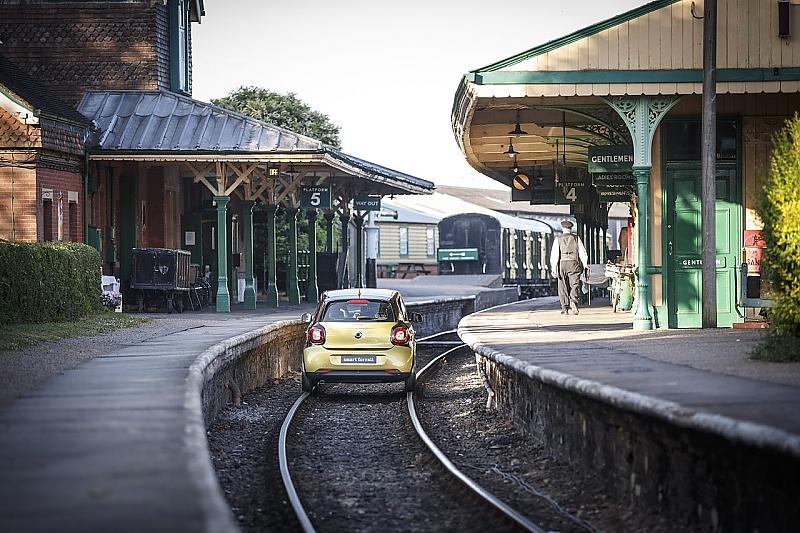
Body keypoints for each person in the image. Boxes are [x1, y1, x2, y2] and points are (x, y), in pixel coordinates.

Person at [550, 220, 589, 315]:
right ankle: (573, 301)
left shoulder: (558, 239)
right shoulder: (576, 238)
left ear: (563, 229)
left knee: (562, 286)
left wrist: (553, 268)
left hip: (562, 264)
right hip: (573, 263)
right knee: (575, 284)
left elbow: (554, 255)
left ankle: (565, 308)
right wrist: (585, 265)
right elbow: (583, 253)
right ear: (571, 229)